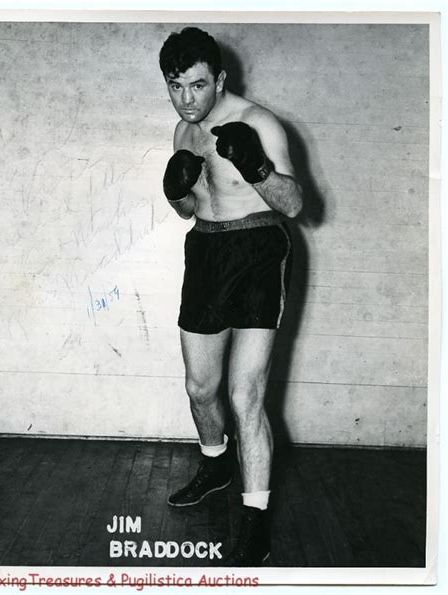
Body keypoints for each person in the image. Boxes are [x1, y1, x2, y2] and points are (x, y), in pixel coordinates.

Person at [159, 27, 302, 566]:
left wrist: (257, 167)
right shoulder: (183, 131)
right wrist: (177, 194)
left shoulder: (261, 122)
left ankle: (256, 522)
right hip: (208, 251)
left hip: (261, 251)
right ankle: (216, 465)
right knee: (200, 388)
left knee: (245, 395)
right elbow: (191, 210)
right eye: (177, 87)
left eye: (198, 86)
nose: (188, 100)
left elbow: (292, 203)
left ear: (220, 78)